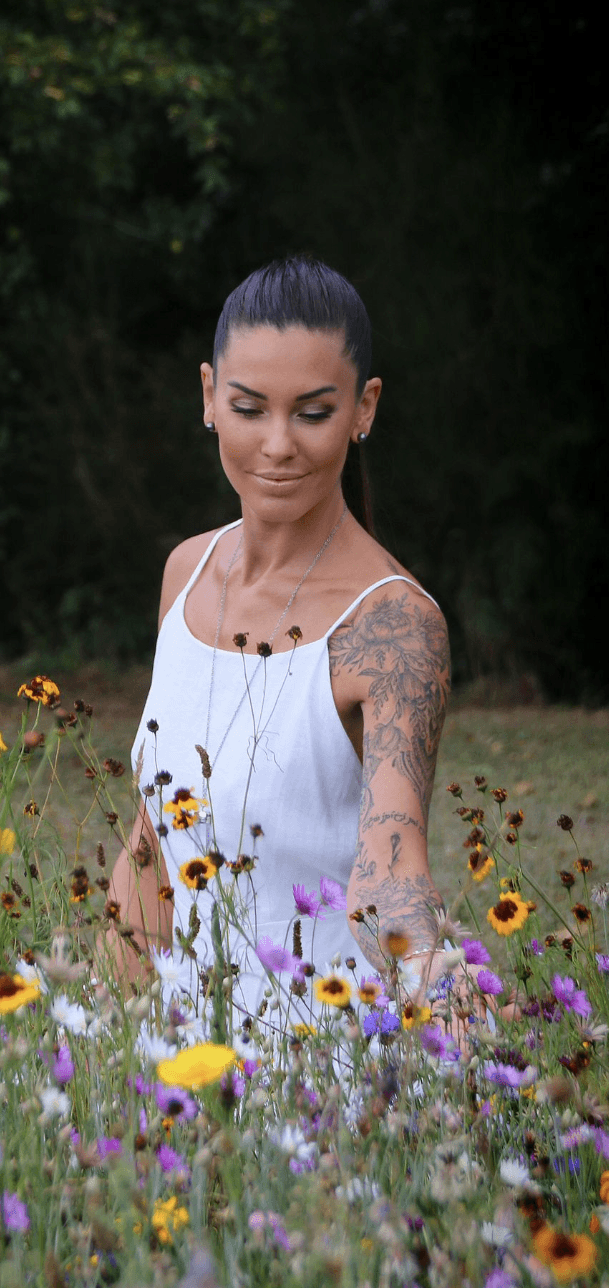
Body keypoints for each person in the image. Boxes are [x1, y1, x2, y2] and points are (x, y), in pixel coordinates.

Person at [105, 255, 458, 1036]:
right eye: (248, 407)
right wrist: (97, 1037)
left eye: (312, 413)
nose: (276, 445)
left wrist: (445, 992)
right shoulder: (185, 574)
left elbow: (391, 867)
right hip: (180, 1059)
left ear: (364, 408)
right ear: (209, 396)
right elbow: (153, 841)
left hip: (321, 1059)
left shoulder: (393, 626)